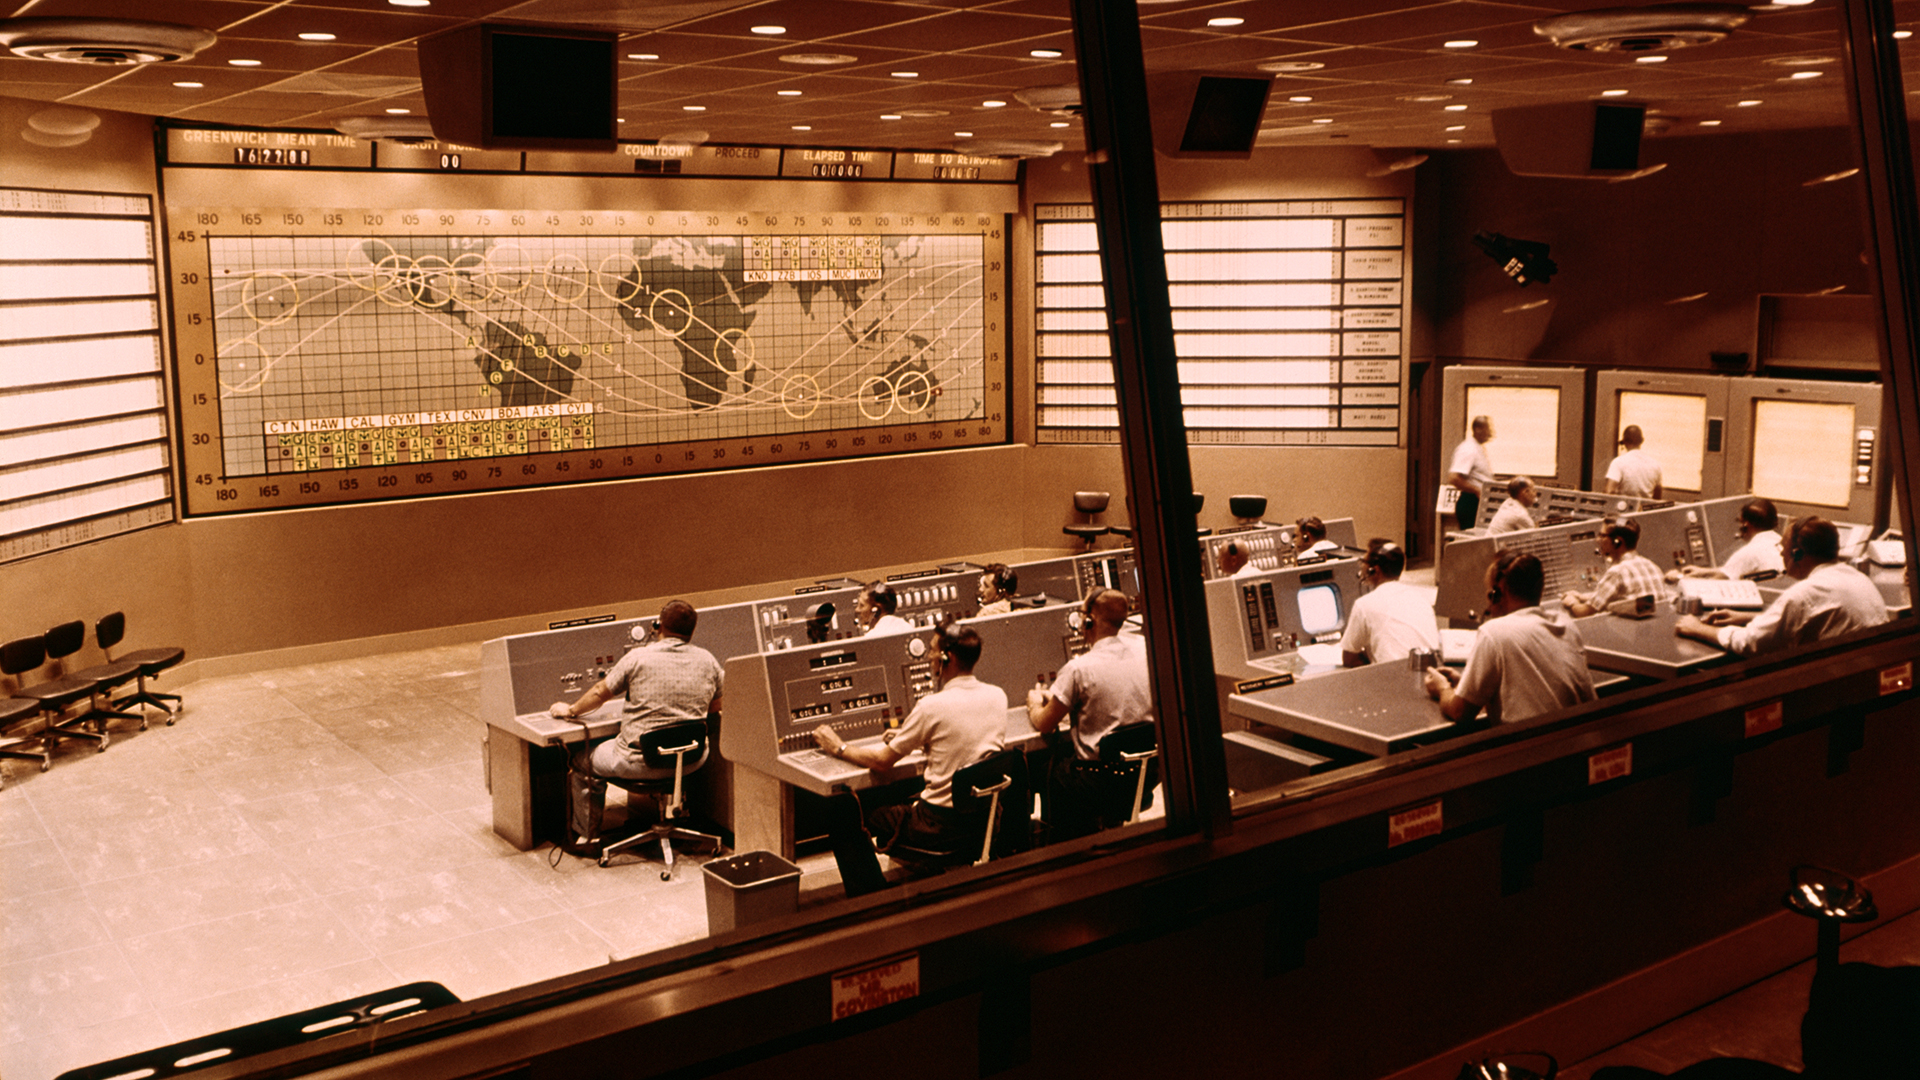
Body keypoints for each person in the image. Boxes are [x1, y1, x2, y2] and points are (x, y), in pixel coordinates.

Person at [813, 621, 1007, 878]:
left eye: (931, 651)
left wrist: (838, 746)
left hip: (937, 828)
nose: (928, 657)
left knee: (847, 814)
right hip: (983, 822)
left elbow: (882, 761)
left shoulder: (932, 706)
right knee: (908, 794)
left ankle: (871, 900)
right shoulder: (998, 696)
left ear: (945, 658)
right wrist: (915, 736)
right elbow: (963, 739)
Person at [548, 600, 724, 857]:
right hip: (690, 760)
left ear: (658, 626)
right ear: (692, 632)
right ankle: (678, 819)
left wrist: (571, 710)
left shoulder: (638, 657)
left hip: (638, 761)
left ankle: (586, 837)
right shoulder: (708, 660)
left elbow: (599, 692)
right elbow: (719, 700)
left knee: (581, 760)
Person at [1026, 588, 1153, 840]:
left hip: (1098, 780)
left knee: (1045, 767)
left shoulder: (1079, 669)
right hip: (1145, 773)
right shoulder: (1147, 651)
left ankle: (1064, 847)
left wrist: (1033, 704)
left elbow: (1045, 724)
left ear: (1089, 620)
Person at [1425, 551, 1596, 724]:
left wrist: (1442, 689)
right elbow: (1532, 688)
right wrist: (1465, 685)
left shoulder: (1494, 633)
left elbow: (1460, 712)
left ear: (1498, 593)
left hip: (1533, 746)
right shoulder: (1566, 624)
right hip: (1580, 740)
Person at [1676, 516, 1887, 655]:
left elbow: (1749, 642)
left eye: (1783, 546)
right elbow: (1810, 618)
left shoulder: (1805, 594)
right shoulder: (1857, 578)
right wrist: (1753, 618)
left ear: (1797, 553)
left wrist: (1698, 628)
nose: (1780, 552)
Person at [1340, 540, 1440, 667]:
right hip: (1429, 676)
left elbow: (1349, 660)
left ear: (1374, 570)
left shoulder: (1364, 604)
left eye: (1365, 563)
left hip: (1392, 679)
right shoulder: (1422, 598)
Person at [1562, 518, 1667, 617]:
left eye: (1603, 536)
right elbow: (1624, 599)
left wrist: (1572, 602)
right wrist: (1582, 597)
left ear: (1618, 542)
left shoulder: (1616, 572)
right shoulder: (1652, 566)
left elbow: (1583, 612)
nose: (1598, 540)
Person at [1670, 498, 1784, 582]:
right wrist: (1703, 571)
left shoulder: (1749, 552)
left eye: (1740, 521)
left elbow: (1712, 585)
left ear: (1746, 524)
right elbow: (1734, 570)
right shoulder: (1780, 542)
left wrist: (1678, 578)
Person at [1448, 415, 1496, 530]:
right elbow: (1453, 478)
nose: (1491, 433)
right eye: (1488, 429)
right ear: (1478, 429)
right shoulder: (1468, 449)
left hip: (1478, 501)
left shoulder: (1477, 448)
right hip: (1471, 501)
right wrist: (1476, 490)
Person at [1605, 425, 1664, 500]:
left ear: (1624, 442)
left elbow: (1609, 491)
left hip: (1625, 509)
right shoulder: (1655, 465)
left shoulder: (1618, 462)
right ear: (1642, 440)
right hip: (1646, 510)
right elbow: (1657, 498)